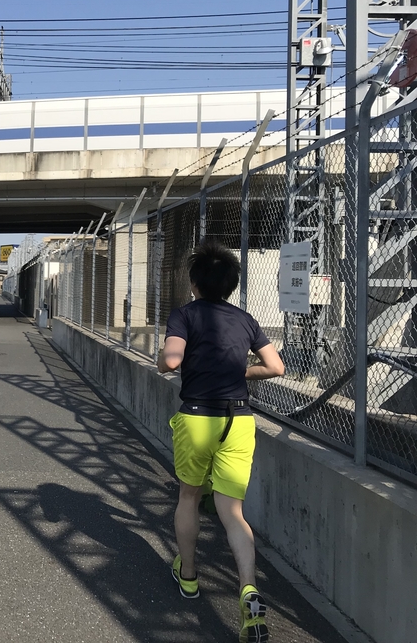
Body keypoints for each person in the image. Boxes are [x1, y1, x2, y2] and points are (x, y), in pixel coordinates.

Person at [157, 239, 285, 643]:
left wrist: (164, 359)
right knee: (233, 512)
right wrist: (239, 372)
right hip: (239, 420)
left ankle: (190, 576)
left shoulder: (185, 315)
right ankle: (248, 589)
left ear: (194, 282)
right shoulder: (246, 319)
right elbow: (275, 366)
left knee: (189, 498)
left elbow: (172, 359)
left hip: (197, 418)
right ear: (230, 284)